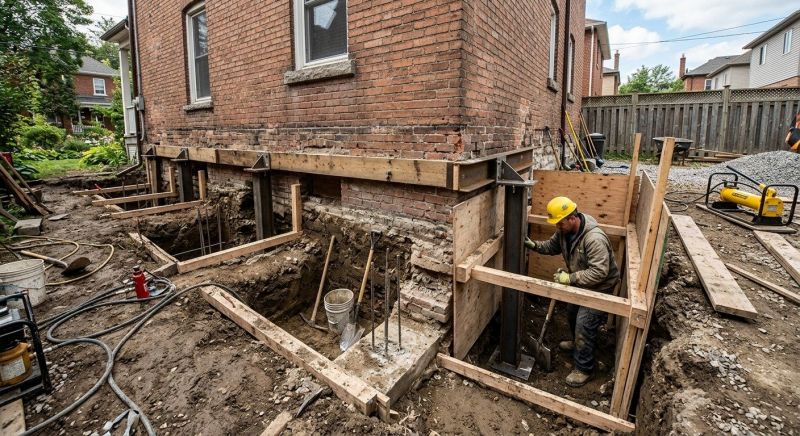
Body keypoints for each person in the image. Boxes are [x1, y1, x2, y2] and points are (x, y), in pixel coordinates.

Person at [525, 196, 619, 387]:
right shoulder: (564, 232)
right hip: (582, 283)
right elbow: (552, 246)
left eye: (560, 223)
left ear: (572, 218)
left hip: (599, 288)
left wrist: (570, 278)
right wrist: (534, 246)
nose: (557, 227)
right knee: (571, 313)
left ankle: (584, 369)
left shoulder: (594, 239)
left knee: (584, 324)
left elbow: (600, 272)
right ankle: (578, 344)